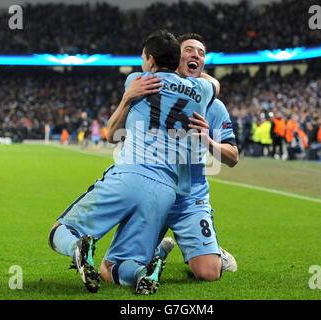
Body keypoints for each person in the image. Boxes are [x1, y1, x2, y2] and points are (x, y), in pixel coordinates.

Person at [47, 29, 217, 295]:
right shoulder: (202, 90)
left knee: (60, 230)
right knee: (120, 265)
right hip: (165, 191)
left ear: (150, 59)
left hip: (129, 174)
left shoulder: (137, 81)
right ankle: (143, 272)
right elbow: (213, 84)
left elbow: (113, 134)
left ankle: (76, 247)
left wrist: (132, 93)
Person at [101, 33, 238, 284]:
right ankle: (158, 251)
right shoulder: (146, 91)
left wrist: (209, 141)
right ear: (175, 56)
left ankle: (212, 250)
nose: (196, 55)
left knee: (208, 273)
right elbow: (111, 134)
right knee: (110, 272)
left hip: (191, 196)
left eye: (201, 52)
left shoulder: (214, 106)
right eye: (189, 50)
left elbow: (233, 157)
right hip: (151, 189)